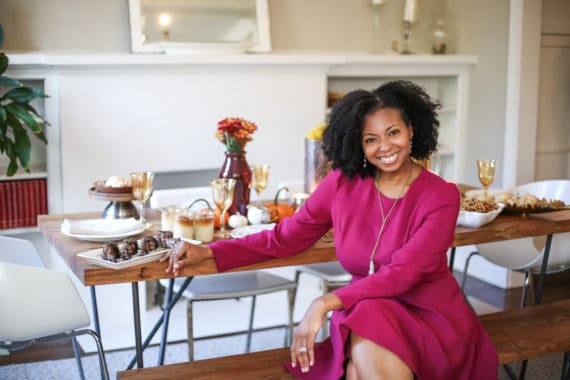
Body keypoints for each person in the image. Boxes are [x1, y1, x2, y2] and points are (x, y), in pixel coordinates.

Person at [161, 80, 498, 379]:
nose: (385, 146)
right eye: (371, 139)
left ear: (411, 129)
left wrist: (323, 303)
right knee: (367, 327)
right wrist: (209, 250)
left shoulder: (441, 195)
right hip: (366, 307)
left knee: (356, 367)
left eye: (393, 132)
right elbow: (285, 238)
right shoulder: (342, 185)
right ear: (358, 144)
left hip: (429, 315)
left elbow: (404, 275)